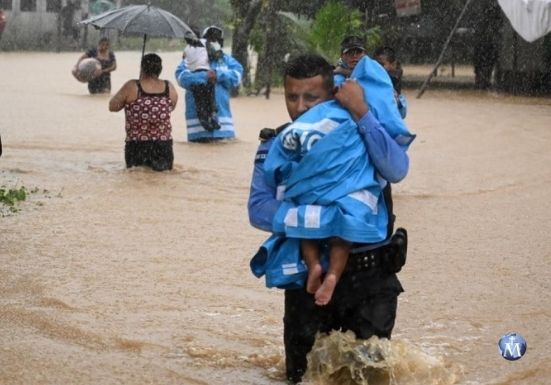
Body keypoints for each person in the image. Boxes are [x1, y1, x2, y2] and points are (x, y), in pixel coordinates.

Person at [248, 54, 412, 383]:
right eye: (292, 97)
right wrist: (326, 219)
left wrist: (363, 113)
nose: (301, 107)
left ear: (332, 95)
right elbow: (258, 208)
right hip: (306, 283)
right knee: (302, 376)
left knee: (371, 375)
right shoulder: (279, 145)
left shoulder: (361, 132)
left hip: (369, 279)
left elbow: (396, 169)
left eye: (311, 97)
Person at [108, 53, 178, 172]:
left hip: (137, 146)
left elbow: (113, 106)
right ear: (160, 69)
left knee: (137, 180)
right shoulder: (169, 87)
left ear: (142, 68)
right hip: (163, 146)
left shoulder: (132, 86)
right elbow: (171, 107)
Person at [175, 25, 244, 142]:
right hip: (197, 128)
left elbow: (237, 76)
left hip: (224, 127)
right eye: (211, 39)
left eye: (217, 39)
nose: (214, 42)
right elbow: (181, 76)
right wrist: (204, 77)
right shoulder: (191, 59)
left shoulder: (226, 60)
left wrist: (218, 75)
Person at [183, 30, 220, 131]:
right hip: (206, 75)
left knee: (199, 101)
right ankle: (213, 115)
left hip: (194, 77)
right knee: (211, 98)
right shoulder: (204, 42)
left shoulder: (186, 49)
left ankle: (203, 119)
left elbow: (184, 62)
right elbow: (214, 55)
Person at [373, 45, 408, 118]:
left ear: (393, 65)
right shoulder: (376, 73)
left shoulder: (392, 77)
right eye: (375, 64)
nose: (378, 67)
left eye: (382, 64)